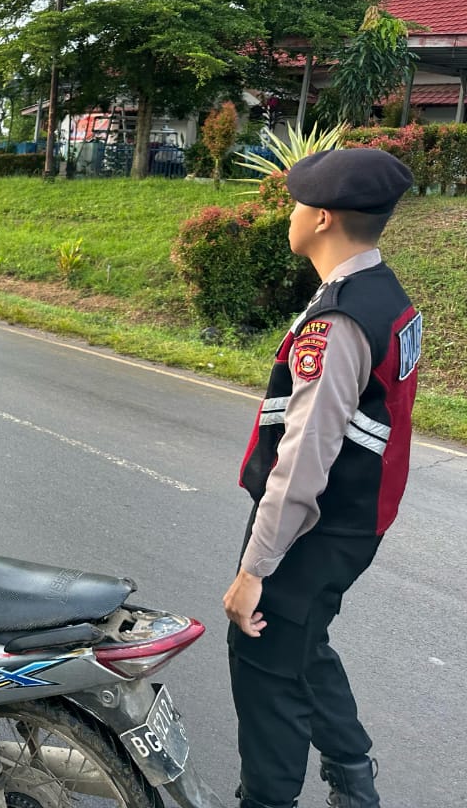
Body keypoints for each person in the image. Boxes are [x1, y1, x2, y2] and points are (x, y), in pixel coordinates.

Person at [223, 148, 420, 808]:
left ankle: (269, 799)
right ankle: (353, 775)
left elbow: (306, 456)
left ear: (323, 219)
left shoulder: (337, 321)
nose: (291, 214)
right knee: (305, 641)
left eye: (296, 204)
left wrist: (256, 567)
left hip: (316, 525)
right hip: (358, 518)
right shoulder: (383, 294)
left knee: (264, 664)